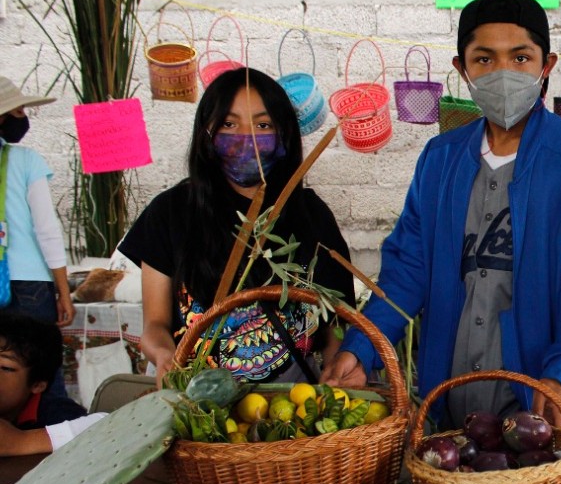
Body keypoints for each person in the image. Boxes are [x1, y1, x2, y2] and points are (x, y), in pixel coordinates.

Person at [322, 0, 561, 439]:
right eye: (484, 59)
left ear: (547, 66)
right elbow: (407, 272)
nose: (503, 72)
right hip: (453, 411)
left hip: (550, 412)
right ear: (462, 70)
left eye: (520, 58)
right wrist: (362, 347)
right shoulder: (440, 159)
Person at [120, 68, 354, 384]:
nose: (248, 139)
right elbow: (155, 325)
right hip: (197, 407)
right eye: (230, 124)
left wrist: (336, 372)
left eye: (263, 125)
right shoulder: (171, 212)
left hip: (293, 408)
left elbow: (336, 321)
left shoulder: (310, 214)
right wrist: (164, 356)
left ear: (284, 135)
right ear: (207, 133)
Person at [0, 76, 76, 401]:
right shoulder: (26, 160)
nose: (23, 117)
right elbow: (46, 230)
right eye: (19, 111)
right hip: (31, 285)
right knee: (43, 375)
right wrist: (64, 291)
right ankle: (50, 440)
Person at [0, 310, 103, 456]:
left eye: (5, 368)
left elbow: (108, 428)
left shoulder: (57, 413)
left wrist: (23, 441)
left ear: (37, 384)